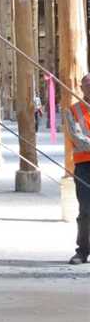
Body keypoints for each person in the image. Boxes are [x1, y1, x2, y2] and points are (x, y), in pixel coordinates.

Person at [63, 73, 90, 265]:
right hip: (84, 166)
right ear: (82, 88)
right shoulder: (74, 111)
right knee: (86, 210)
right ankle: (82, 251)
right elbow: (77, 138)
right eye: (87, 85)